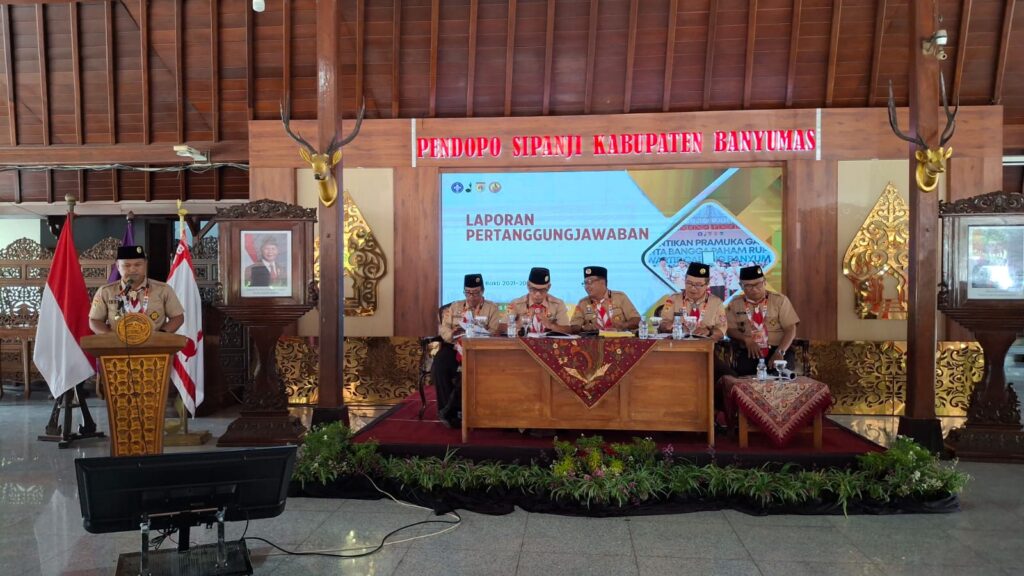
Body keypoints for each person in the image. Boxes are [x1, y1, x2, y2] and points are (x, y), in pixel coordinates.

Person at [431, 273, 500, 428]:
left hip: (479, 350)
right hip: (455, 346)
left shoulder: (492, 308)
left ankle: (458, 410)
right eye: (468, 293)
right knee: (440, 365)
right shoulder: (455, 307)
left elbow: (494, 331)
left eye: (475, 293)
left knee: (470, 371)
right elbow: (443, 328)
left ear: (482, 291)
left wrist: (478, 330)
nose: (471, 297)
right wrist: (452, 334)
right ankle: (446, 410)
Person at [89, 245, 185, 335]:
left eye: (138, 265)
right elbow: (94, 320)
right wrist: (111, 338)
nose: (133, 269)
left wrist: (161, 335)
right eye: (127, 265)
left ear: (145, 264)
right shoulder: (105, 292)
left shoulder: (163, 290)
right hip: (117, 344)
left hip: (154, 344)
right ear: (118, 266)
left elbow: (177, 317)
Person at [725, 265, 800, 376]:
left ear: (764, 282)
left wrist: (780, 351)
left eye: (758, 284)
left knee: (781, 375)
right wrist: (747, 340)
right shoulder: (735, 304)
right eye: (748, 286)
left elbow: (790, 328)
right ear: (741, 286)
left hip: (777, 348)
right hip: (751, 350)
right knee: (744, 377)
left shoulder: (779, 300)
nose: (754, 289)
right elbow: (729, 330)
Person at [658, 262, 727, 340]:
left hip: (705, 344)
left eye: (698, 284)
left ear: (707, 284)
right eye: (689, 283)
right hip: (678, 343)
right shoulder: (673, 299)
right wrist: (674, 327)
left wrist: (709, 332)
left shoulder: (716, 303)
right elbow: (663, 324)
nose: (693, 288)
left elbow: (721, 331)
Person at [501, 267, 571, 335]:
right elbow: (501, 328)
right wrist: (520, 323)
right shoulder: (515, 303)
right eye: (534, 289)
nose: (538, 294)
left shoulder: (558, 304)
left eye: (542, 290)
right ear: (528, 285)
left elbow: (568, 330)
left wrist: (550, 325)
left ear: (549, 287)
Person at [570, 266, 640, 333]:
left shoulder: (620, 297)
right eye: (585, 283)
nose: (586, 287)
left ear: (602, 282)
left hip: (620, 339)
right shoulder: (583, 303)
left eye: (590, 282)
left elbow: (637, 320)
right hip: (594, 340)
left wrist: (624, 325)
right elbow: (573, 327)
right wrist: (583, 328)